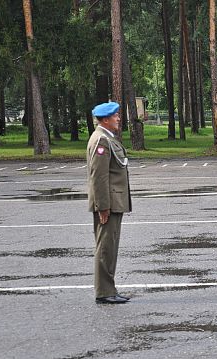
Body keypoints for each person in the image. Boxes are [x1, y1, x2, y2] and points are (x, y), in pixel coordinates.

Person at [87, 101, 132, 304]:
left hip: (114, 201)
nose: (118, 118)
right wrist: (102, 206)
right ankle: (104, 292)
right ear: (105, 119)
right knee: (106, 247)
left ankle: (109, 289)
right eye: (115, 116)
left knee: (110, 246)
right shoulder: (102, 141)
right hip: (109, 203)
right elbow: (99, 177)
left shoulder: (106, 138)